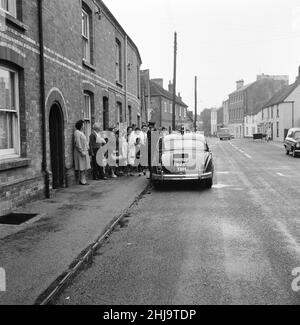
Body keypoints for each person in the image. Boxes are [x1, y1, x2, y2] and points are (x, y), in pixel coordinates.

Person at [74, 120, 91, 185]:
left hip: (84, 151)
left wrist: (87, 146)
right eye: (83, 124)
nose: (84, 126)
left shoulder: (81, 132)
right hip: (80, 152)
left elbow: (85, 141)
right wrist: (81, 151)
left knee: (84, 166)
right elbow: (77, 143)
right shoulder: (77, 132)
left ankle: (83, 179)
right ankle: (82, 180)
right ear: (80, 125)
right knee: (81, 166)